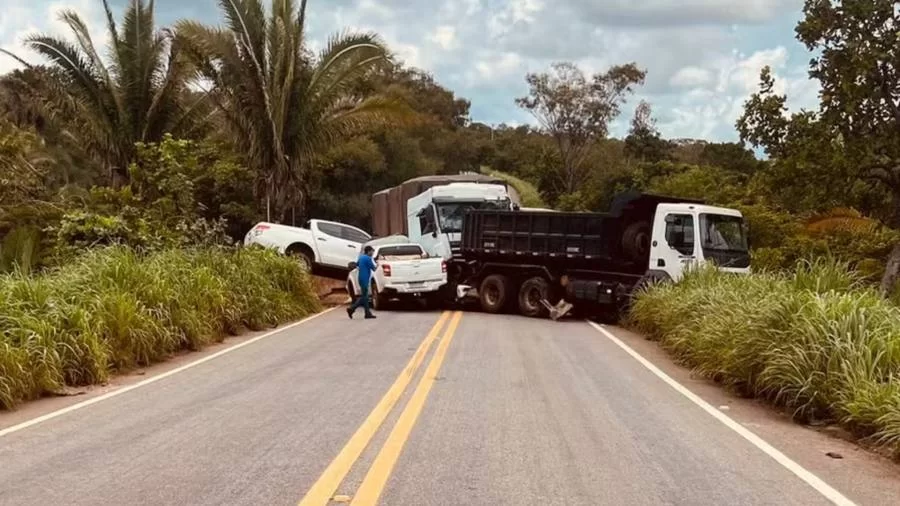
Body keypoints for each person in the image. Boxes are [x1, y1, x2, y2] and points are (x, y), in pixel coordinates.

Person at [347, 245, 377, 319]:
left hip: (360, 278)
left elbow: (357, 264)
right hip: (365, 279)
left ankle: (367, 313)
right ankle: (351, 309)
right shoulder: (368, 258)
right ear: (369, 251)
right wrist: (379, 264)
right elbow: (374, 268)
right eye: (372, 251)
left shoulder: (361, 257)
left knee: (365, 297)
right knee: (364, 297)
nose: (373, 253)